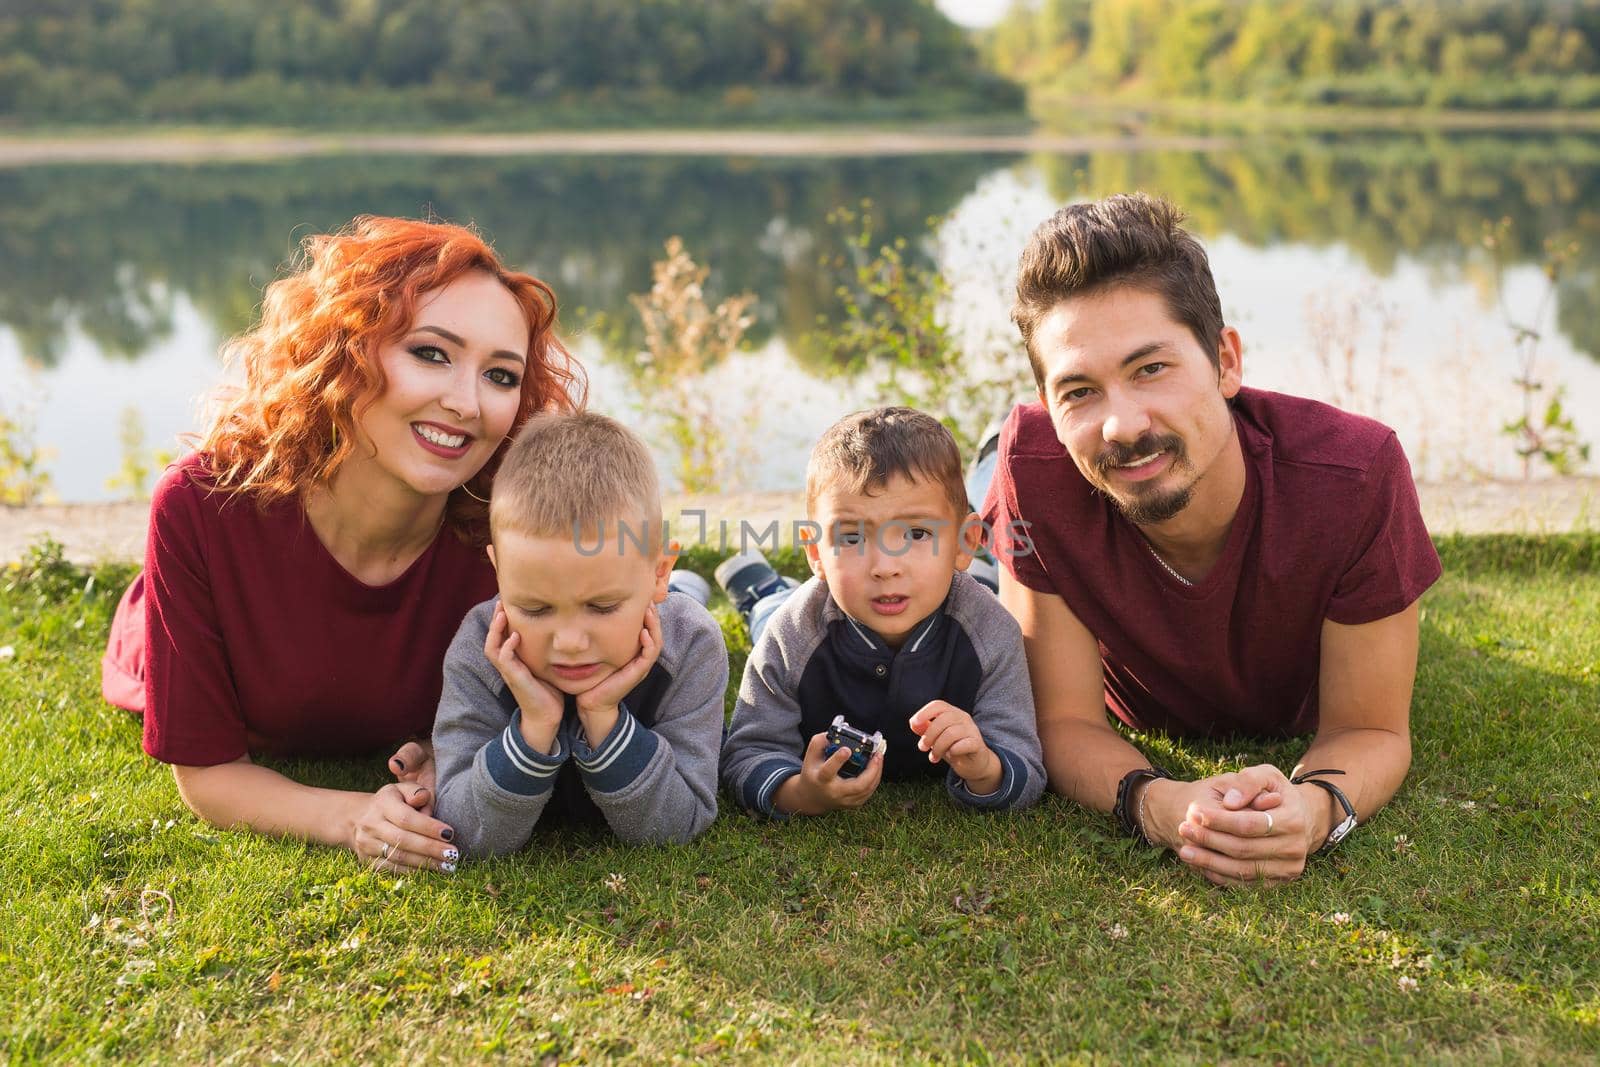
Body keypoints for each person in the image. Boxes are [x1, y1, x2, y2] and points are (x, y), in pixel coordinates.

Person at [980, 193, 1441, 887]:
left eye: (1151, 368)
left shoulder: (1356, 474)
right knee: (942, 589)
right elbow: (1065, 720)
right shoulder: (1037, 465)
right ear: (1048, 404)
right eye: (1079, 391)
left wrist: (1312, 811)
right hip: (1019, 488)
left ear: (1226, 362)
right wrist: (1162, 804)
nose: (1121, 424)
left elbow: (1372, 730)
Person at [100, 215, 584, 873]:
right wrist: (354, 815)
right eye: (431, 353)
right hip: (161, 635)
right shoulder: (201, 508)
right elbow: (209, 774)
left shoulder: (511, 524)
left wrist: (449, 751)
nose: (467, 403)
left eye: (500, 375)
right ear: (347, 354)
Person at [720, 407, 1045, 819]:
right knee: (772, 616)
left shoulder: (992, 632)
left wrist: (984, 766)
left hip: (959, 590)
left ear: (965, 543)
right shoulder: (794, 635)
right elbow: (747, 752)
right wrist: (800, 793)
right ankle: (763, 593)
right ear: (817, 552)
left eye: (916, 533)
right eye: (852, 537)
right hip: (803, 612)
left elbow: (1025, 762)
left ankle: (763, 589)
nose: (885, 566)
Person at [431, 412, 726, 853]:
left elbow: (679, 824)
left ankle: (698, 588)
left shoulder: (693, 645)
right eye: (534, 607)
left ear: (658, 572)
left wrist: (603, 715)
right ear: (499, 572)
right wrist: (536, 725)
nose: (569, 643)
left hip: (673, 604)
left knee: (685, 603)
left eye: (601, 607)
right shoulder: (480, 648)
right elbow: (463, 830)